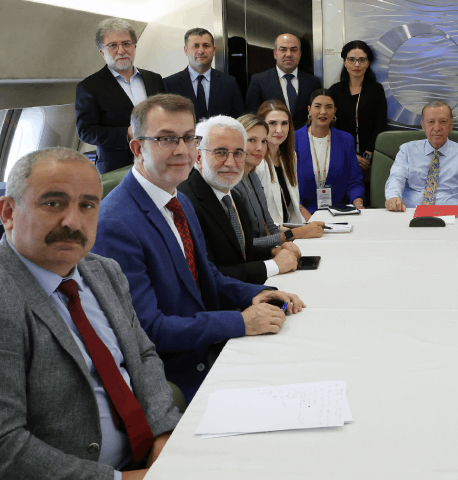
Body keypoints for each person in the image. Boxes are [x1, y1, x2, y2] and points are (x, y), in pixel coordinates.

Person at [0, 148, 180, 480]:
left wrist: (164, 435)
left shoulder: (104, 271)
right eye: (53, 203)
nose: (72, 221)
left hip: (148, 459)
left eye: (87, 205)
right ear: (8, 212)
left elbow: (142, 356)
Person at [93, 94, 304, 403]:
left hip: (210, 346)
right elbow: (149, 329)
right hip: (178, 376)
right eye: (166, 139)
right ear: (138, 148)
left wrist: (255, 293)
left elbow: (207, 277)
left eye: (189, 138)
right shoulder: (115, 223)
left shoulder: (179, 202)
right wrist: (241, 322)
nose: (182, 150)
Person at [176, 116, 301, 285]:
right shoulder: (185, 203)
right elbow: (205, 276)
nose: (230, 162)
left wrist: (273, 252)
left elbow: (241, 254)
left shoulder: (233, 197)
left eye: (238, 153)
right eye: (220, 152)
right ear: (199, 157)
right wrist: (272, 266)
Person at [76, 17, 164, 173]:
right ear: (102, 52)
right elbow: (86, 132)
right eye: (112, 45)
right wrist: (127, 133)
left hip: (157, 161)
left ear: (134, 46)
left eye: (126, 43)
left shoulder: (154, 79)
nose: (121, 50)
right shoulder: (89, 86)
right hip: (117, 168)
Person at [234, 112, 324, 241]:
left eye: (264, 141)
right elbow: (244, 245)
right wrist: (295, 234)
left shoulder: (252, 177)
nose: (260, 147)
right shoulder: (232, 184)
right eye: (252, 140)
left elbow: (270, 226)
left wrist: (296, 233)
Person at [385, 101, 458, 211]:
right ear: (423, 125)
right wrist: (393, 197)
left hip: (451, 216)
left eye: (443, 122)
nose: (437, 128)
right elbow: (396, 178)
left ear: (451, 125)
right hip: (411, 213)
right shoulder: (407, 151)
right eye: (431, 122)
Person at [329, 40, 388, 201]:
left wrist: (368, 154)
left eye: (362, 60)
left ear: (368, 63)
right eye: (351, 60)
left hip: (371, 158)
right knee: (343, 198)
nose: (357, 64)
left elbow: (380, 123)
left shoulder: (376, 89)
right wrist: (351, 155)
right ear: (344, 62)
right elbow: (332, 127)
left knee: (369, 198)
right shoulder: (335, 91)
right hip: (342, 155)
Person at [294, 89, 365, 213]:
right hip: (304, 213)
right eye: (317, 106)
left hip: (339, 212)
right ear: (309, 110)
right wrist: (306, 217)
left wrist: (358, 204)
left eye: (328, 107)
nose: (323, 112)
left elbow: (354, 181)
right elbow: (288, 186)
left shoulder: (346, 140)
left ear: (334, 111)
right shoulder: (294, 139)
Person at [254, 100, 318, 225]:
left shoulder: (290, 157)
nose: (279, 130)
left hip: (289, 227)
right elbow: (256, 215)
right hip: (269, 233)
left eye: (284, 123)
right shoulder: (256, 161)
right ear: (261, 126)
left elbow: (292, 206)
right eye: (272, 123)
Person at [163, 28, 244, 120]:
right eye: (195, 46)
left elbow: (239, 120)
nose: (201, 51)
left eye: (206, 46)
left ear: (213, 50)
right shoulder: (169, 84)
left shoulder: (229, 83)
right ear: (186, 50)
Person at [245, 33, 323, 123]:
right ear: (275, 54)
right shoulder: (259, 81)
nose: (289, 54)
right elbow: (252, 117)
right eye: (283, 50)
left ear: (300, 54)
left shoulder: (313, 82)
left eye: (294, 50)